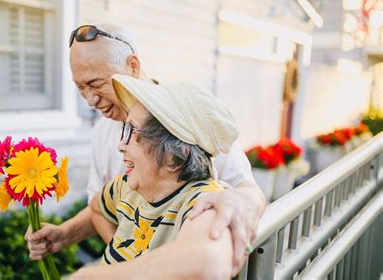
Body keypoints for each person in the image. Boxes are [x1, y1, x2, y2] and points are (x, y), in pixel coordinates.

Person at [25, 24, 266, 275]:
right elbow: (104, 204)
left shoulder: (189, 121)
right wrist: (67, 235)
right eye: (80, 88)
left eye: (96, 83)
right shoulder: (102, 131)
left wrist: (243, 201)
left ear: (133, 66)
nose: (90, 100)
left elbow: (245, 191)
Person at [73, 74, 238, 278]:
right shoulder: (126, 187)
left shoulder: (201, 200)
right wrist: (125, 253)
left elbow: (208, 262)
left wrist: (91, 276)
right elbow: (97, 209)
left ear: (174, 157)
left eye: (132, 131)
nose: (121, 145)